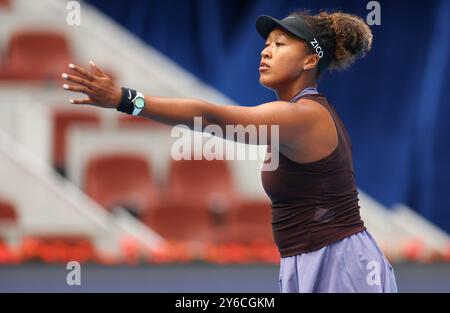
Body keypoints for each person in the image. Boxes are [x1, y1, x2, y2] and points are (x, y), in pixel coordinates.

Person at [61, 10, 398, 293]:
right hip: (310, 260)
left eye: (280, 45)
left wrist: (125, 99)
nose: (265, 52)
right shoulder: (296, 114)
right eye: (266, 45)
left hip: (341, 263)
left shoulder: (303, 115)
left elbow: (209, 117)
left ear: (310, 59)